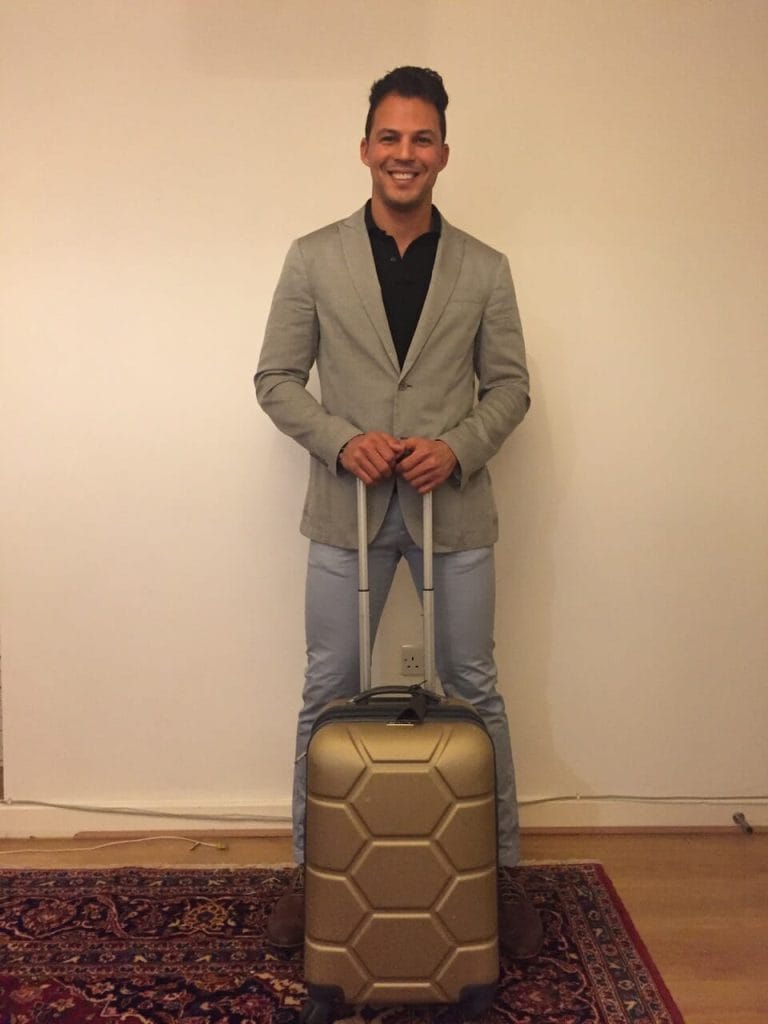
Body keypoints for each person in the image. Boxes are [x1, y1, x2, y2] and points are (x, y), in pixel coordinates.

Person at [255, 66, 542, 959]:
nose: (404, 154)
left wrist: (458, 445)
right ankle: (319, 876)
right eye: (390, 137)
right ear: (366, 147)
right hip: (346, 510)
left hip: (450, 511)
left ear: (443, 153)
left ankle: (498, 878)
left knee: (473, 687)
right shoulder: (313, 257)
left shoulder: (486, 269)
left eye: (422, 139)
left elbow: (511, 387)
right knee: (327, 690)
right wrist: (344, 440)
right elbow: (274, 381)